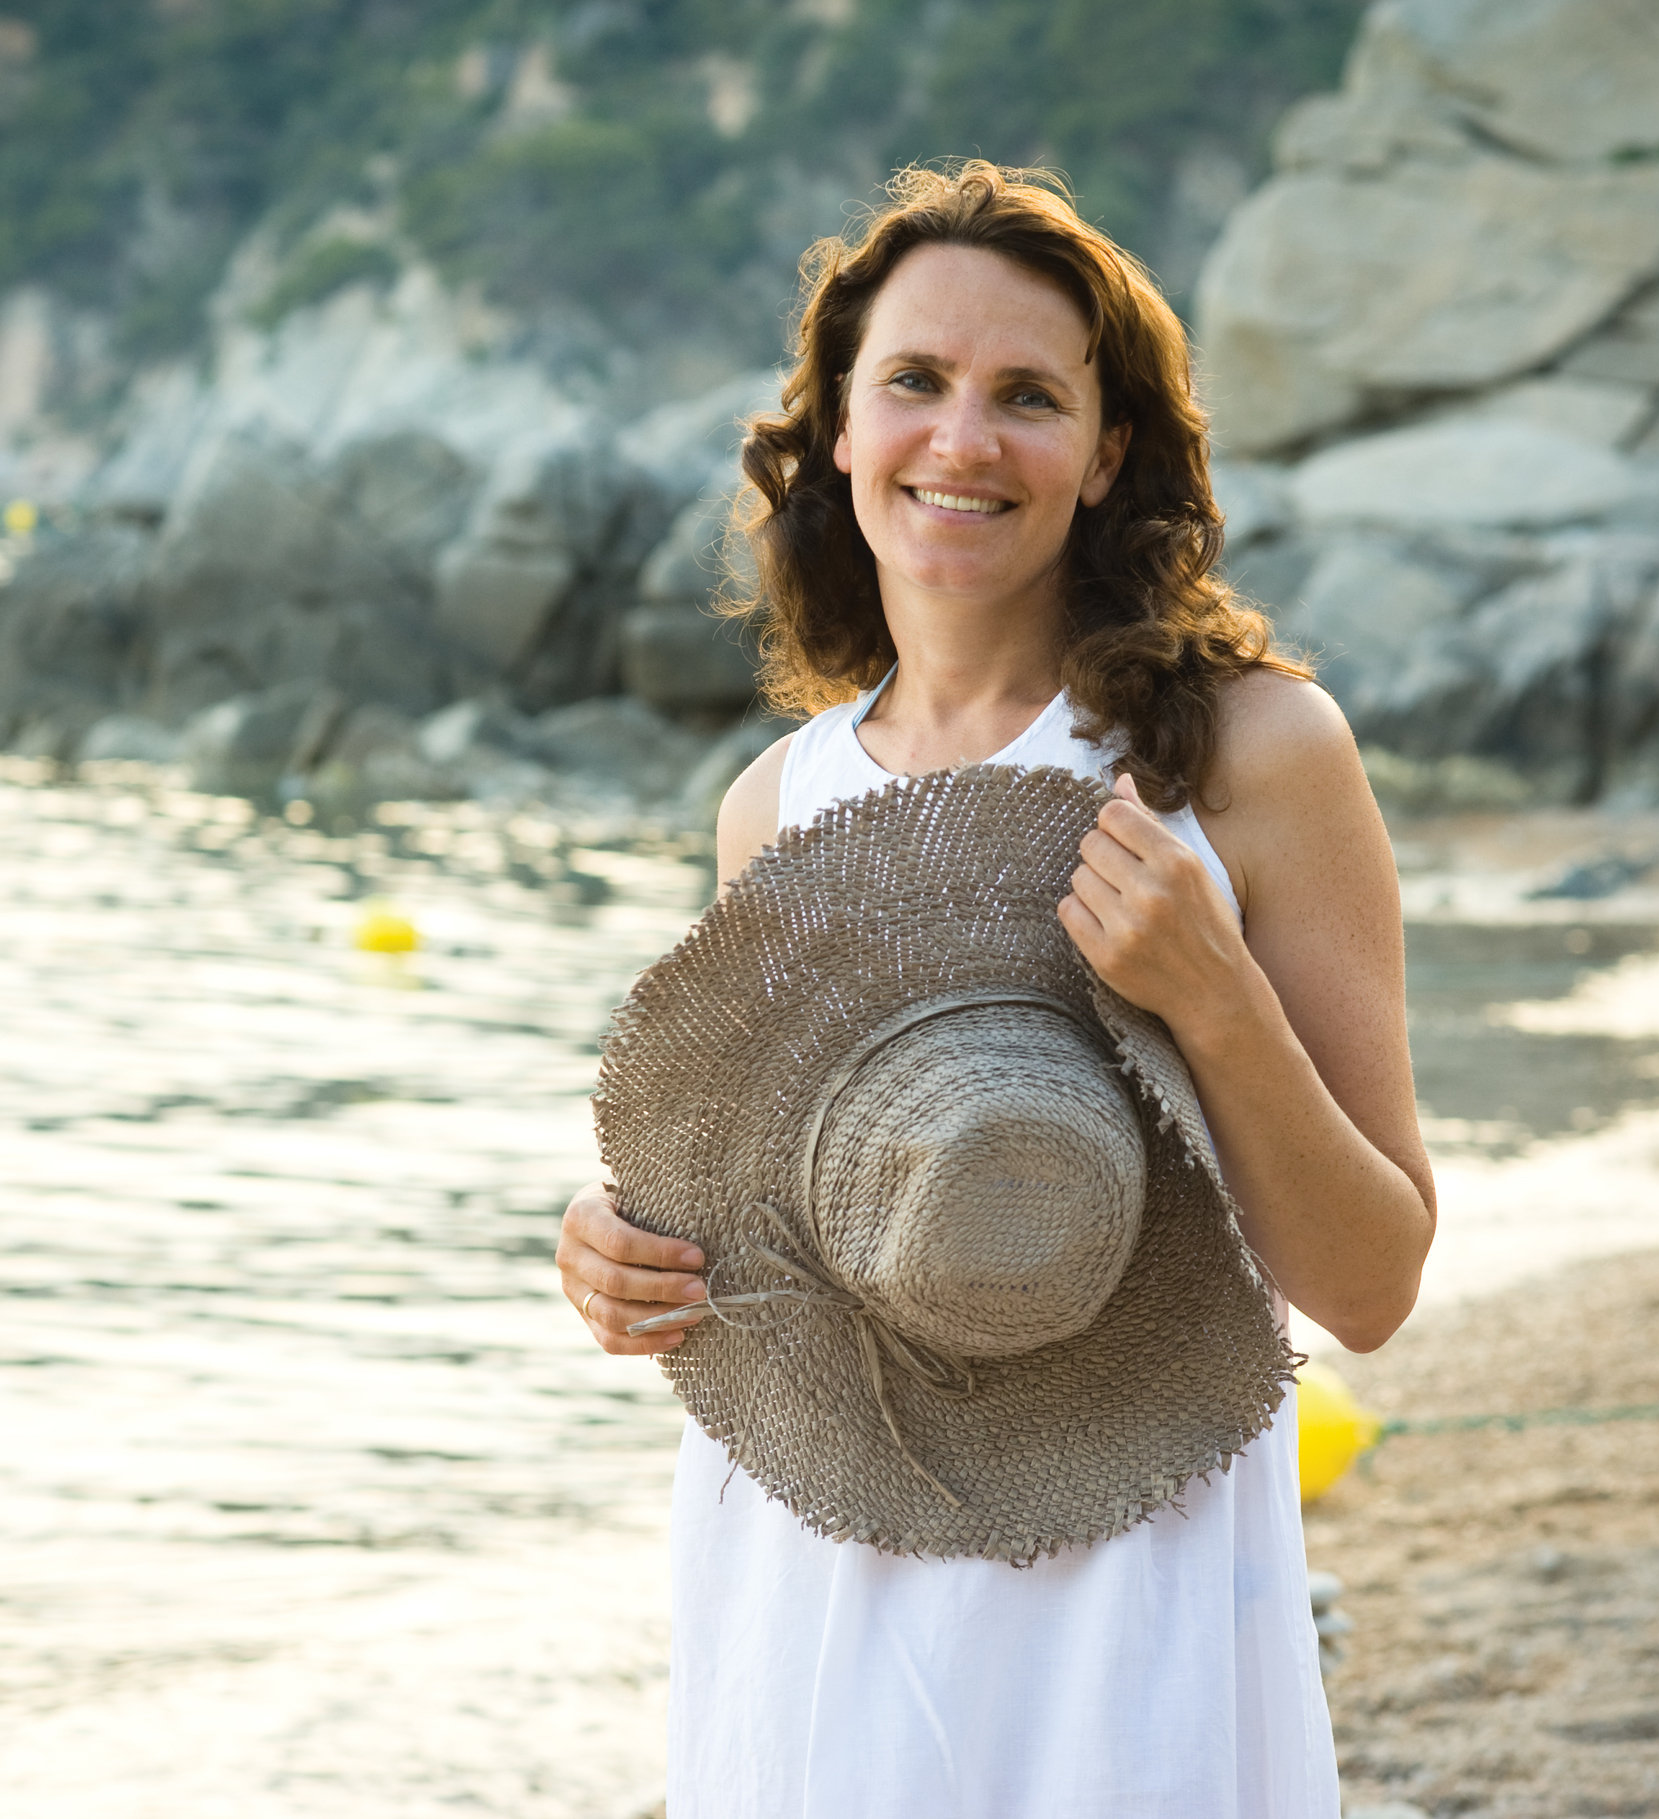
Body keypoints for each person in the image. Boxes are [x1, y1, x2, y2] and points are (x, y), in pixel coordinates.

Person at [556, 161, 1435, 1818]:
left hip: (1130, 1566)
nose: (963, 441)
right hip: (810, 1564)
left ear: (1108, 459)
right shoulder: (776, 805)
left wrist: (1217, 999)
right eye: (914, 383)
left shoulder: (1257, 755)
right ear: (833, 429)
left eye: (1027, 396)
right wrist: (620, 1262)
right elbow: (788, 1245)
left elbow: (1375, 1282)